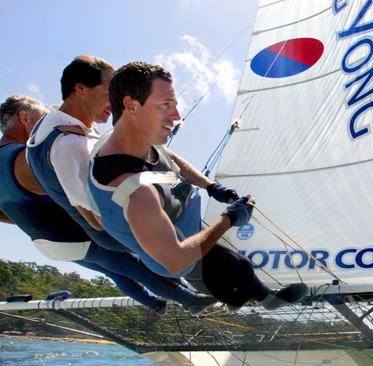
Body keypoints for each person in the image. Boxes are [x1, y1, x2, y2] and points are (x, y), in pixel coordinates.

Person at [89, 62, 307, 310]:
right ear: (131, 106)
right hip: (180, 251)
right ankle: (250, 300)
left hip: (180, 225)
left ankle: (250, 298)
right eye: (165, 106)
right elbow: (175, 259)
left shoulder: (130, 137)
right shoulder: (135, 193)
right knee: (236, 268)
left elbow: (172, 160)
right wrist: (230, 219)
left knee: (237, 268)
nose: (176, 115)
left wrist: (211, 186)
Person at [24, 56, 215, 314]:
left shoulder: (49, 126)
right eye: (109, 92)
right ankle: (196, 297)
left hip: (59, 238)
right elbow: (92, 215)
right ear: (80, 89)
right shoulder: (70, 144)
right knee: (148, 247)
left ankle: (169, 299)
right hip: (90, 234)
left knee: (127, 263)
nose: (115, 101)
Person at [0, 95, 165, 312]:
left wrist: (26, 219)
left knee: (116, 270)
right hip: (74, 232)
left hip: (50, 241)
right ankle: (189, 298)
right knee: (136, 259)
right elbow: (74, 181)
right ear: (25, 118)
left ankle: (156, 304)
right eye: (44, 120)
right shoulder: (29, 156)